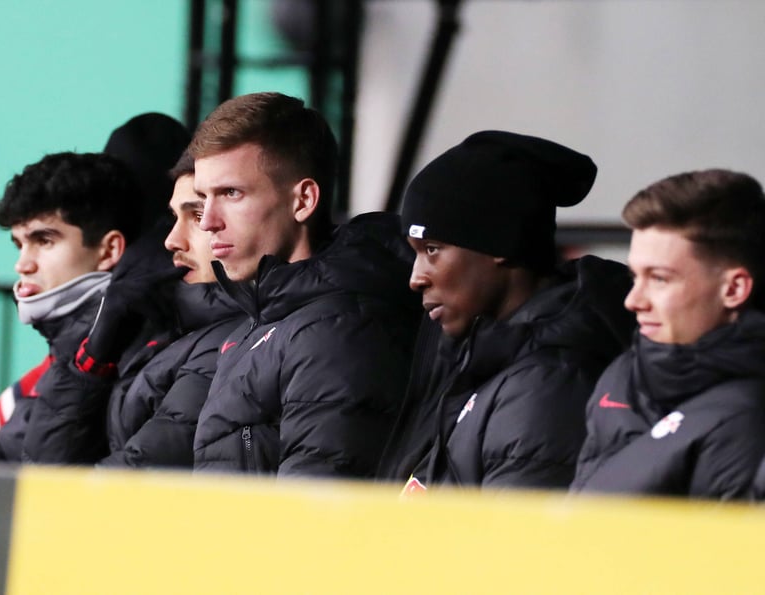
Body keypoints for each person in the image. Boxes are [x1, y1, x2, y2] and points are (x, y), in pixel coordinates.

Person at [189, 91, 420, 478]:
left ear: (303, 200)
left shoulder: (335, 331)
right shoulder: (270, 317)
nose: (208, 221)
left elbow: (317, 504)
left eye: (231, 193)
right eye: (203, 199)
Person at [390, 130, 634, 492]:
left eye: (432, 249)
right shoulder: (483, 361)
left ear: (499, 243)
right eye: (415, 252)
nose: (416, 278)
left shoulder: (547, 385)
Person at [21, 153, 246, 466]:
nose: (171, 241)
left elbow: (124, 476)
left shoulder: (226, 342)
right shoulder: (162, 325)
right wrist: (94, 356)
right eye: (173, 218)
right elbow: (44, 465)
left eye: (196, 216)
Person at [0, 151, 146, 463]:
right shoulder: (58, 361)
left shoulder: (130, 362)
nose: (23, 264)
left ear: (108, 250)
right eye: (20, 244)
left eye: (44, 241)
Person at [571, 169, 765, 500]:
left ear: (734, 289)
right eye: (635, 277)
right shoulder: (622, 374)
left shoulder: (749, 419)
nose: (633, 301)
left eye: (659, 278)